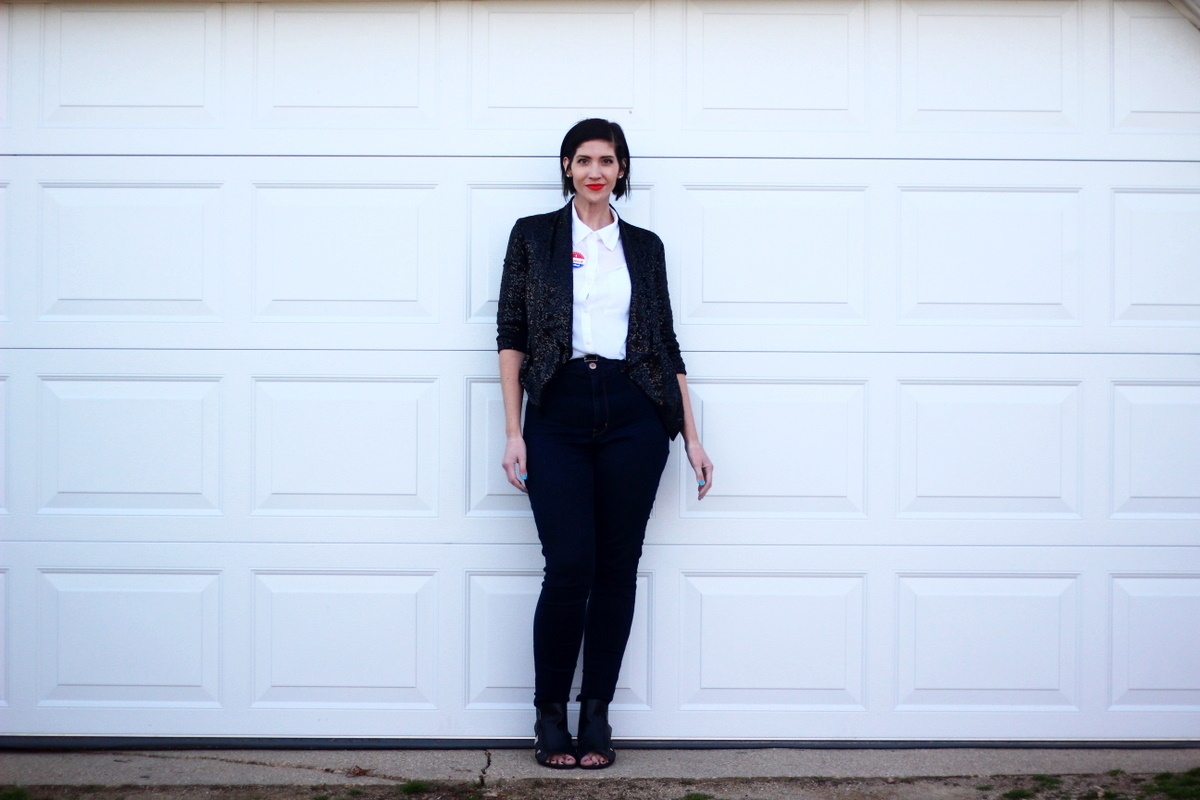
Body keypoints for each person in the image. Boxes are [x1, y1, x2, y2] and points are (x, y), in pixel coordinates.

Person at [496, 118, 714, 770]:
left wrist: (692, 436)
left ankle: (596, 717)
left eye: (608, 160)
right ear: (567, 167)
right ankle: (548, 717)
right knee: (569, 566)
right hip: (558, 412)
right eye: (584, 159)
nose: (596, 170)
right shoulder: (533, 237)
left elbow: (665, 342)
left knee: (617, 568)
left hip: (633, 414)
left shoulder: (644, 247)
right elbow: (511, 335)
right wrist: (515, 431)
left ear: (622, 169)